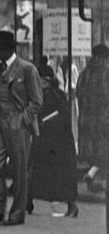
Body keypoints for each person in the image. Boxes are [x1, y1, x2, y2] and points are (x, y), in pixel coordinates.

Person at [0, 30, 43, 226]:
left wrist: (23, 120)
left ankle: (17, 213)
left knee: (19, 169)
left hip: (17, 121)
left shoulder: (27, 69)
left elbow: (36, 101)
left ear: (8, 49)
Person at [29, 63, 79, 218]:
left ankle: (70, 204)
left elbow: (61, 114)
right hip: (50, 138)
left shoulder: (53, 94)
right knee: (39, 169)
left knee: (45, 170)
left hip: (54, 139)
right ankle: (28, 200)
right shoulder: (50, 94)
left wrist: (45, 121)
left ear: (45, 80)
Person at [76, 44, 109, 193]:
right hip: (102, 119)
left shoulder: (84, 73)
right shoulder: (106, 73)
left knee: (90, 151)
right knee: (103, 151)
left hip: (86, 119)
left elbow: (78, 92)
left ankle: (92, 177)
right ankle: (93, 174)